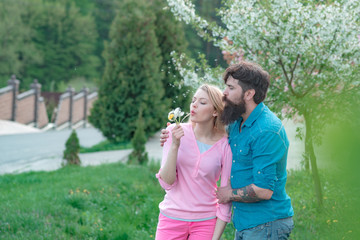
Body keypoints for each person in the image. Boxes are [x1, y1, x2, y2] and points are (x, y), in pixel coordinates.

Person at [161, 62, 294, 240]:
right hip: (245, 223)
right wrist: (170, 137)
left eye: (231, 88)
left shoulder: (267, 130)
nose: (224, 92)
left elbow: (264, 190)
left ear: (248, 94)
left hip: (267, 224)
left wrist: (228, 195)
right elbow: (209, 130)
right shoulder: (237, 123)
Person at [155, 84, 233, 240]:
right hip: (171, 218)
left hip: (205, 221)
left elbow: (225, 196)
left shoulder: (225, 145)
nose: (194, 105)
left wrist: (214, 238)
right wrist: (175, 145)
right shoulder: (173, 132)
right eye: (193, 100)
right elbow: (167, 183)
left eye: (202, 102)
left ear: (215, 111)